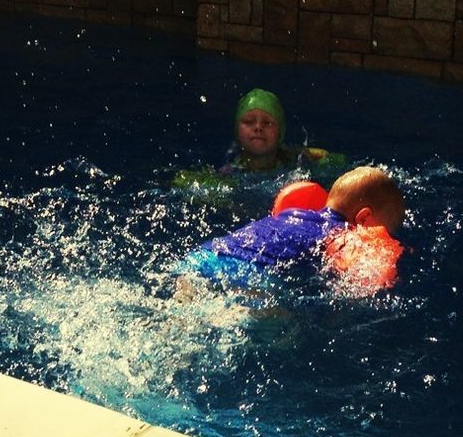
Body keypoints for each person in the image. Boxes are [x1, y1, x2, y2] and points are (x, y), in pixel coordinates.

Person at [174, 166, 405, 297]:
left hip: (202, 257)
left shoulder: (293, 216)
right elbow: (364, 283)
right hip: (242, 274)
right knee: (285, 335)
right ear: (364, 218)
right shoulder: (342, 235)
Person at [172, 88, 346, 191]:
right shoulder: (231, 173)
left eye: (268, 123)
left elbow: (339, 162)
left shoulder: (296, 161)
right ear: (237, 133)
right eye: (248, 121)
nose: (258, 127)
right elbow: (183, 181)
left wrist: (314, 153)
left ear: (281, 134)